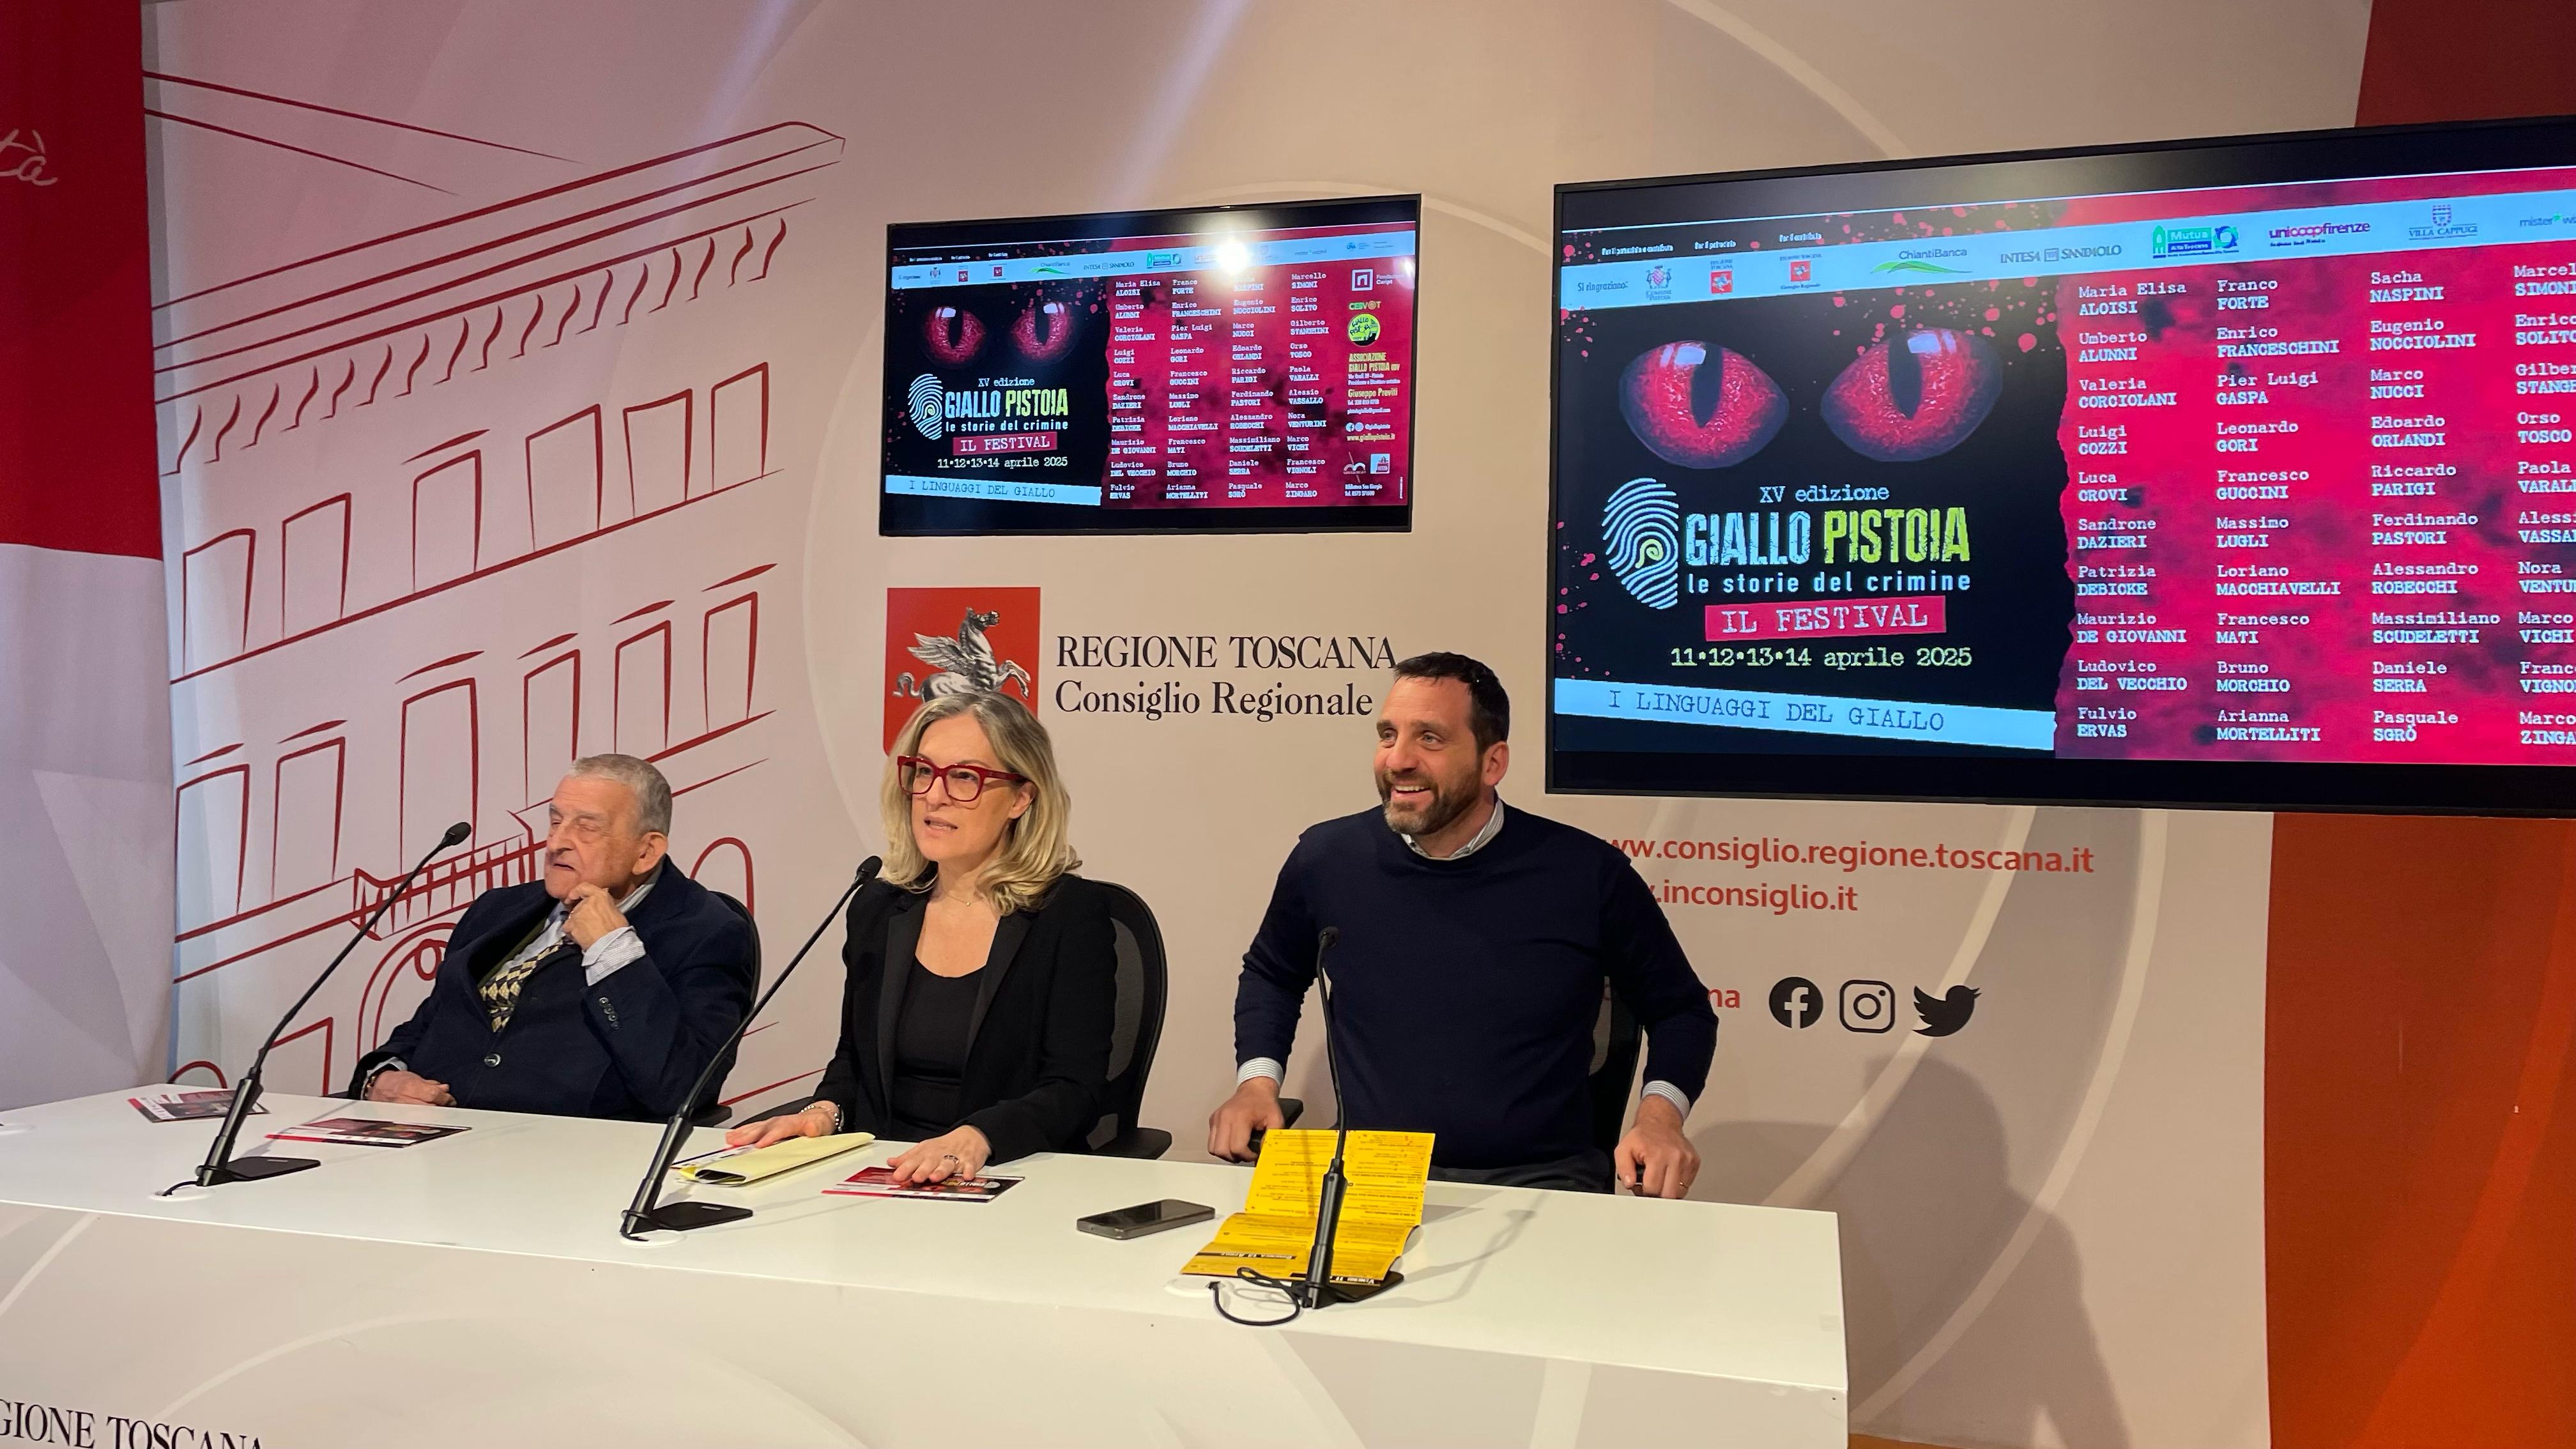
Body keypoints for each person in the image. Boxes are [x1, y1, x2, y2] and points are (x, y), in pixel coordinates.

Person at [1208, 652, 1716, 1195]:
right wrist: (1256, 1084)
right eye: (1388, 735)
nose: (1398, 759)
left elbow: (1680, 1010)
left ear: (1492, 763)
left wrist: (1660, 1119)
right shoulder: (1327, 859)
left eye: (1429, 738)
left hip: (1537, 1179)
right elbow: (1273, 974)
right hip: (1369, 1167)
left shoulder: (1588, 873)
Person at [727, 691, 1116, 1185]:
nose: (934, 795)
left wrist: (978, 1137)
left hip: (1009, 1176)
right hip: (885, 1174)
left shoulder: (1069, 915)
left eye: (965, 777)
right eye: (923, 772)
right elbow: (855, 1061)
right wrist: (823, 1113)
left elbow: (1074, 1089)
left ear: (1021, 798)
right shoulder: (879, 907)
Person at [350, 755, 757, 1120]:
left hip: (569, 1156)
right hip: (429, 1141)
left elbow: (684, 1088)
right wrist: (383, 1076)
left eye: (587, 828)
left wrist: (612, 950)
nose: (556, 842)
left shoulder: (706, 931)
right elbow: (431, 1022)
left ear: (646, 852)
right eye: (556, 821)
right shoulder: (497, 910)